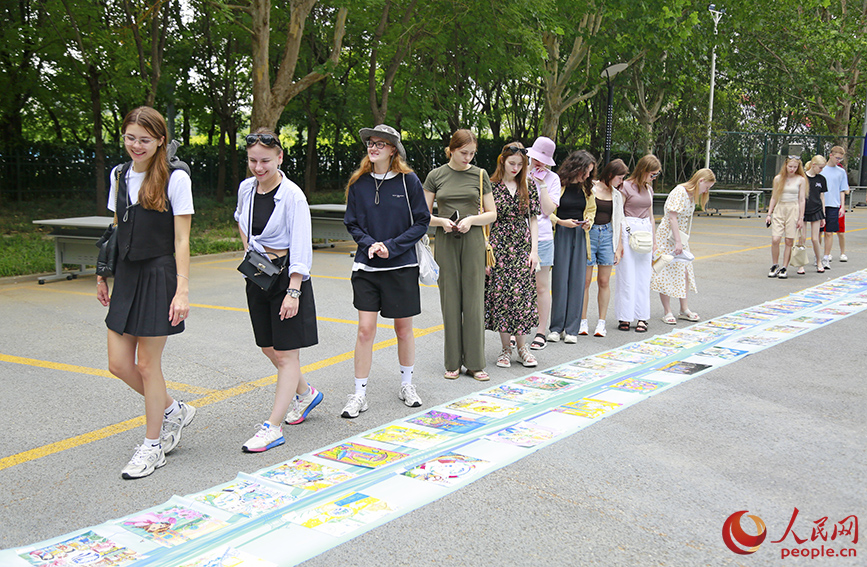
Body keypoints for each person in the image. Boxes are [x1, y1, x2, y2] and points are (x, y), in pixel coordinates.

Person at [96, 106, 196, 479]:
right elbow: (116, 228)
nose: (136, 145)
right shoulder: (119, 174)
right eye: (130, 137)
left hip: (159, 274)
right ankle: (173, 410)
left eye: (144, 139)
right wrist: (103, 273)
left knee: (146, 365)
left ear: (160, 141)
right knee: (118, 364)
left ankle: (153, 446)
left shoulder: (176, 178)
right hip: (126, 273)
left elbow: (182, 238)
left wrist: (182, 290)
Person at [235, 128, 322, 453]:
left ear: (280, 157)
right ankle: (307, 393)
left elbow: (301, 245)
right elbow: (241, 221)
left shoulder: (293, 196)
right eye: (253, 161)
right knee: (268, 347)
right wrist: (250, 253)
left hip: (287, 279)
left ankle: (273, 427)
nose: (259, 167)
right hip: (258, 276)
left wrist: (294, 290)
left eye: (266, 161)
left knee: (286, 355)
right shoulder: (246, 189)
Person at [341, 124, 430, 418]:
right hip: (366, 266)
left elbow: (421, 221)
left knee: (403, 329)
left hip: (401, 266)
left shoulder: (409, 181)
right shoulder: (358, 183)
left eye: (381, 143)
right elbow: (352, 222)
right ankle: (359, 394)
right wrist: (369, 244)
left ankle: (407, 385)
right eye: (370, 142)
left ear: (393, 149)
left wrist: (391, 246)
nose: (373, 147)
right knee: (365, 330)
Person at [423, 129, 497, 381]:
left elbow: (492, 213)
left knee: (474, 301)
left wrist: (472, 220)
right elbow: (422, 216)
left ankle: (475, 363)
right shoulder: (436, 175)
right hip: (445, 239)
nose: (468, 157)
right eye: (464, 152)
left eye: (472, 153)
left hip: (473, 239)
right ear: (451, 149)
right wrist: (441, 221)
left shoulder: (480, 174)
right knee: (450, 300)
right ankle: (452, 362)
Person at [485, 143, 541, 368]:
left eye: (520, 164)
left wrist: (534, 250)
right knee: (502, 297)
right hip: (498, 244)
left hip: (521, 245)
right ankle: (505, 349)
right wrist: (485, 250)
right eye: (512, 163)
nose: (516, 168)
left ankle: (522, 348)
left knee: (522, 298)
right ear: (502, 162)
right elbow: (486, 220)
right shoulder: (491, 186)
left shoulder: (529, 186)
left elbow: (534, 218)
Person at [652, 168, 716, 324]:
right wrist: (679, 241)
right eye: (706, 187)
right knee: (665, 271)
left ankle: (683, 308)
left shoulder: (692, 195)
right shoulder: (680, 191)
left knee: (685, 271)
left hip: (679, 237)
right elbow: (672, 217)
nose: (706, 190)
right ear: (700, 181)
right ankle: (667, 311)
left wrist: (682, 240)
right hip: (668, 237)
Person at [548, 151, 596, 344]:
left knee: (578, 281)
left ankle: (572, 329)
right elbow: (546, 211)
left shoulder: (587, 188)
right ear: (577, 167)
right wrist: (560, 221)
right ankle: (556, 328)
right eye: (585, 171)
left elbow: (591, 211)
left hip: (579, 234)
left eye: (590, 172)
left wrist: (588, 223)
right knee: (559, 281)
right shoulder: (557, 184)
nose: (587, 176)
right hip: (560, 233)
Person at [579, 159, 625, 337]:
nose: (621, 182)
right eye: (620, 178)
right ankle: (582, 321)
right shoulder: (591, 187)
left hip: (607, 235)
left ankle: (601, 322)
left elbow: (619, 221)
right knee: (585, 281)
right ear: (611, 174)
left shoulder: (617, 195)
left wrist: (619, 246)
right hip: (589, 234)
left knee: (604, 281)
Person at [615, 155, 659, 333]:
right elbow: (618, 214)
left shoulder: (649, 189)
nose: (654, 178)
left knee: (643, 276)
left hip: (645, 232)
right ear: (643, 170)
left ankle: (642, 316)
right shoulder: (625, 187)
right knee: (626, 276)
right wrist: (619, 243)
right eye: (652, 174)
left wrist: (655, 241)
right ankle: (625, 316)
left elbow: (651, 216)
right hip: (628, 230)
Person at [525, 137, 561, 351]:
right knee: (518, 285)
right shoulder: (518, 173)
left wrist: (542, 185)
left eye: (543, 160)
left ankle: (540, 331)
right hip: (519, 237)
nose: (539, 163)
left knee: (541, 287)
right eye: (536, 158)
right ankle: (515, 330)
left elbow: (547, 210)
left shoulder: (553, 179)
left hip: (544, 237)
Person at [765, 156, 807, 279]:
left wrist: (801, 217)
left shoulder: (801, 180)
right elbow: (774, 197)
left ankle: (784, 267)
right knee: (775, 239)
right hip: (780, 208)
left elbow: (802, 199)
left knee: (789, 240)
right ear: (786, 166)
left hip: (793, 209)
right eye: (790, 166)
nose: (792, 169)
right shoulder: (778, 179)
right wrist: (769, 214)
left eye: (795, 167)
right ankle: (775, 264)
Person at [821, 146, 850, 268]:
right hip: (820, 205)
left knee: (829, 232)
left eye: (841, 159)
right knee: (818, 233)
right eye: (837, 158)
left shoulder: (841, 172)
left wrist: (842, 206)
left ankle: (826, 256)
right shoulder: (821, 169)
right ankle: (818, 256)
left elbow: (842, 190)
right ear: (831, 155)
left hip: (833, 205)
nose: (838, 160)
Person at [803, 156, 827, 274]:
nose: (821, 170)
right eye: (820, 167)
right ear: (813, 165)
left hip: (816, 209)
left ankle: (819, 261)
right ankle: (800, 263)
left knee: (814, 238)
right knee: (801, 238)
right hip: (803, 209)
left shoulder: (821, 179)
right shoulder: (802, 177)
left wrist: (823, 215)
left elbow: (822, 197)